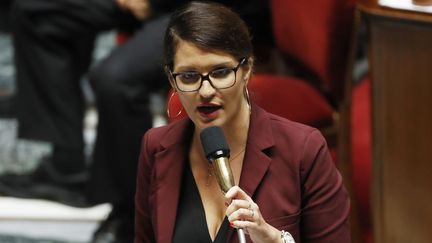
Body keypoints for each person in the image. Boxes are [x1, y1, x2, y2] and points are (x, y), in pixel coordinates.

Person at [0, 0, 272, 242]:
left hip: (213, 9)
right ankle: (65, 166)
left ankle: (132, 211)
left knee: (115, 80)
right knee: (36, 11)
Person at [134, 2, 351, 243]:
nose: (205, 90)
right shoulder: (156, 147)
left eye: (220, 72)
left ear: (246, 69)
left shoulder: (303, 150)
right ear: (172, 80)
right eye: (189, 76)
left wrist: (274, 240)